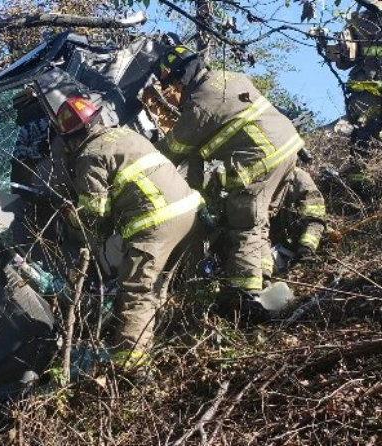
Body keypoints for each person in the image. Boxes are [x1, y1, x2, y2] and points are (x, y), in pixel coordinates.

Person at [52, 96, 202, 368]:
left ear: (71, 139)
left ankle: (131, 368)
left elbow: (95, 213)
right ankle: (173, 338)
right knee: (159, 286)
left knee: (135, 292)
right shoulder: (125, 134)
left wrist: (72, 222)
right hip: (189, 210)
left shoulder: (89, 157)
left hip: (158, 224)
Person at [153, 45, 304, 312]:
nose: (171, 93)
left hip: (259, 161)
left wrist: (145, 160)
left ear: (181, 77)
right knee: (260, 223)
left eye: (172, 85)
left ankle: (244, 298)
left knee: (244, 226)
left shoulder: (200, 104)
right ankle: (263, 281)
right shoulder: (229, 76)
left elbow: (173, 150)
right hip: (287, 148)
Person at [314, 0, 382, 195]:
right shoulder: (358, 19)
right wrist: (326, 45)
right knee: (363, 138)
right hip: (366, 90)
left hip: (368, 89)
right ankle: (359, 188)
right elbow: (345, 61)